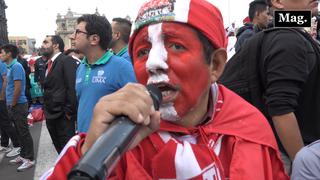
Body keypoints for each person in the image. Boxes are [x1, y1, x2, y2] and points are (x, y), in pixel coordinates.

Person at [42, 0, 288, 179]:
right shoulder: (114, 140)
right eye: (143, 52)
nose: (153, 63)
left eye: (176, 46)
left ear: (215, 64)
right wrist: (89, 153)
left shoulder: (252, 129)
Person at [250, 0, 320, 174]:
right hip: (290, 158)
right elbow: (280, 109)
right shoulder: (287, 38)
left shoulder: (286, 33)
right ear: (278, 2)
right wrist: (306, 166)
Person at [69, 14, 136, 133]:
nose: (72, 36)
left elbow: (139, 108)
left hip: (109, 146)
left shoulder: (122, 67)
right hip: (84, 142)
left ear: (94, 39)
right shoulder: (81, 67)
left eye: (78, 32)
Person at [41, 35, 78, 154]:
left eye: (46, 42)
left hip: (63, 117)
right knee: (60, 152)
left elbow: (71, 88)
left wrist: (68, 113)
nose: (42, 45)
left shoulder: (66, 60)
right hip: (51, 115)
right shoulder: (49, 63)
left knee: (68, 153)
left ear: (56, 45)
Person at [0, 44, 35, 171]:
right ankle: (23, 155)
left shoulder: (16, 66)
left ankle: (30, 159)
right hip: (13, 104)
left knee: (23, 132)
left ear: (9, 54)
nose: (1, 55)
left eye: (2, 53)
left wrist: (12, 103)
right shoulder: (10, 67)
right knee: (20, 133)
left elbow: (18, 88)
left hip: (18, 104)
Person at [0, 56, 21, 156]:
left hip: (2, 98)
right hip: (3, 97)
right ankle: (4, 144)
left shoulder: (2, 63)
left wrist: (2, 96)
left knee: (6, 122)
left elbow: (5, 80)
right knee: (2, 122)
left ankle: (17, 145)